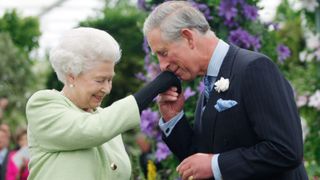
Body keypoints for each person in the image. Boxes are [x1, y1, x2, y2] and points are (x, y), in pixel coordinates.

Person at [143, 1, 308, 180]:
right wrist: (173, 117)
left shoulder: (254, 68)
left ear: (188, 37)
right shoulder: (209, 81)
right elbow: (200, 161)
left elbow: (286, 150)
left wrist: (216, 165)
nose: (162, 66)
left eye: (163, 53)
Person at [26, 27, 180, 180]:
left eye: (110, 79)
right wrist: (154, 88)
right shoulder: (42, 105)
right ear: (71, 75)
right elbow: (92, 129)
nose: (106, 89)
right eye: (100, 80)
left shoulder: (106, 119)